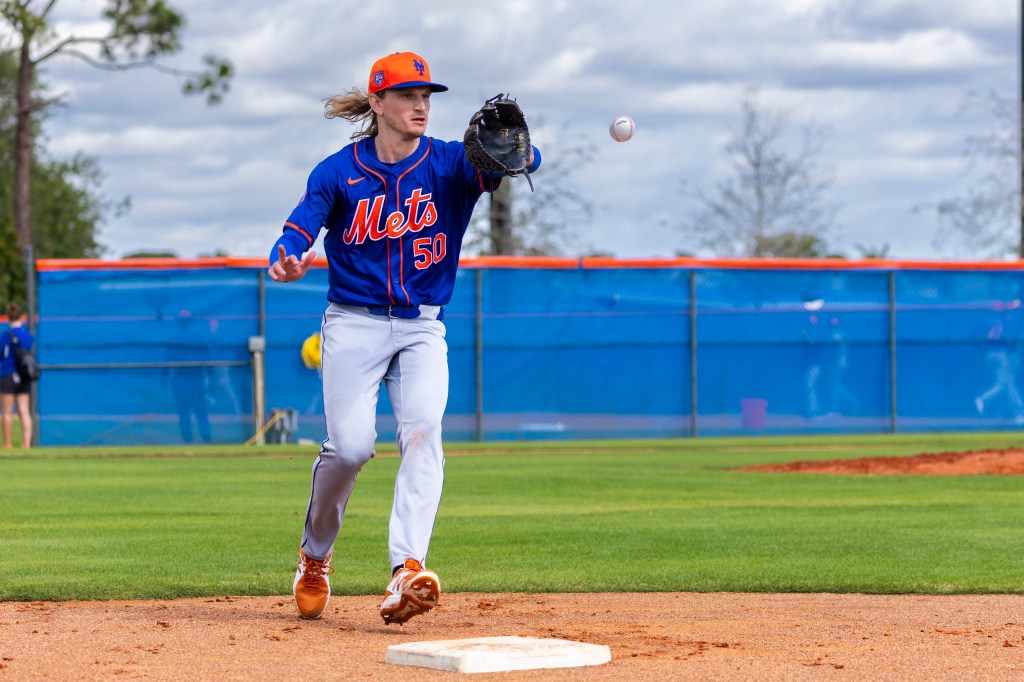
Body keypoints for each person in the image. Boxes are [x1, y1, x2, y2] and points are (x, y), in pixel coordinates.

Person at [267, 51, 541, 625]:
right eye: (408, 95)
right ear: (378, 102)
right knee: (351, 448)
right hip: (354, 321)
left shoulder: (452, 163)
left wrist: (519, 149)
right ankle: (314, 558)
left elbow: (516, 159)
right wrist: (288, 257)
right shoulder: (338, 172)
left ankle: (406, 569)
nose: (421, 105)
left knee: (423, 434)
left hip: (422, 326)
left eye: (427, 97)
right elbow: (298, 226)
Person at [1, 302, 35, 448]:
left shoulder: (4, 336)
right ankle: (26, 443)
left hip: (7, 374)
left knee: (7, 411)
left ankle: (7, 443)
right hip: (24, 375)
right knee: (24, 410)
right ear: (20, 316)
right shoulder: (27, 336)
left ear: (8, 317)